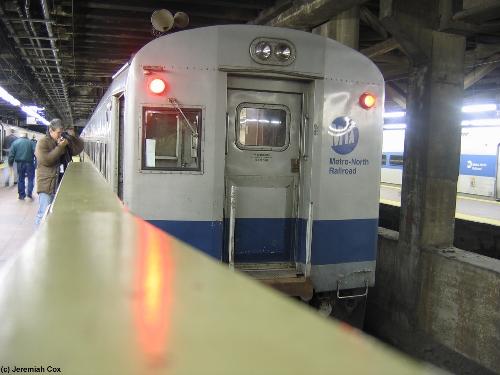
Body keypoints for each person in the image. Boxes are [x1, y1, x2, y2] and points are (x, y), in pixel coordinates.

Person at [35, 119, 84, 228]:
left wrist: (74, 137)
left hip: (61, 182)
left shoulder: (63, 141)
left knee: (55, 213)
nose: (60, 135)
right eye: (58, 133)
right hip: (48, 184)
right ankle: (38, 239)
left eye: (62, 132)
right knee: (43, 213)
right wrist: (60, 147)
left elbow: (79, 149)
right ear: (51, 131)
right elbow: (47, 160)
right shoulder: (43, 142)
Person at [8, 132, 36, 200]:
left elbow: (11, 154)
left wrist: (10, 163)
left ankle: (21, 195)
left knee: (21, 179)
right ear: (27, 136)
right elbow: (36, 153)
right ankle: (29, 193)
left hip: (19, 164)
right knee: (30, 178)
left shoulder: (15, 143)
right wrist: (36, 164)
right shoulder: (31, 143)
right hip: (29, 163)